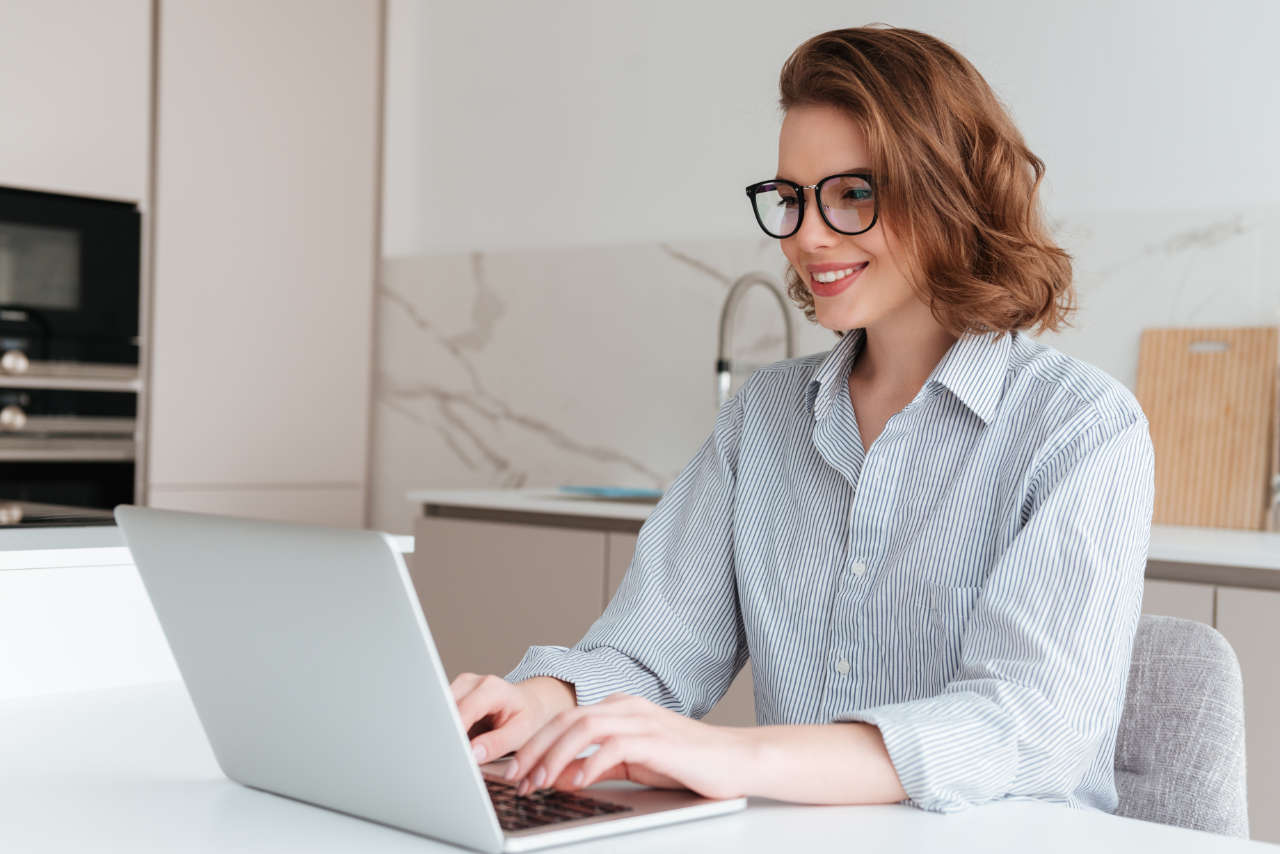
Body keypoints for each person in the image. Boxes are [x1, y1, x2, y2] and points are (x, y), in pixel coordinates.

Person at [448, 25, 1154, 813]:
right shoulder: (766, 416)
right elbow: (651, 652)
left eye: (854, 193)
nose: (808, 235)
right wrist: (545, 700)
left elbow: (1023, 728)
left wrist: (731, 755)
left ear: (950, 194)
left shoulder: (1082, 428)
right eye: (791, 197)